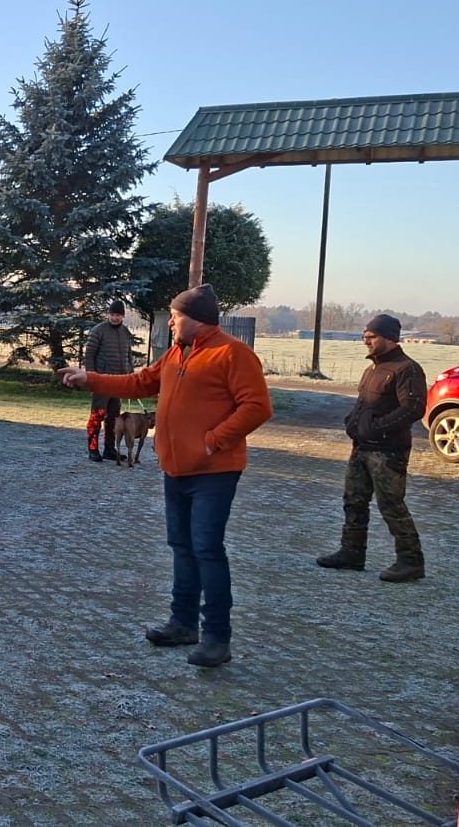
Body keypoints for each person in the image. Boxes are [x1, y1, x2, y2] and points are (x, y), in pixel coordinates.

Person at [58, 284, 271, 668]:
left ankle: (217, 637)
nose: (170, 323)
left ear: (196, 319)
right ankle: (183, 623)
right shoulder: (175, 354)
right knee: (181, 545)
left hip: (215, 471)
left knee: (207, 548)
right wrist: (89, 378)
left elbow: (257, 406)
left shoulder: (233, 353)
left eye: (175, 316)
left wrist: (213, 441)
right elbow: (138, 382)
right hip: (176, 469)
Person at [316, 314, 429, 582]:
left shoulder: (407, 369)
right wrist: (352, 423)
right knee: (353, 501)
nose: (366, 341)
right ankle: (352, 553)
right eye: (365, 336)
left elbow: (413, 409)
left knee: (391, 505)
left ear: (389, 338)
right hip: (361, 448)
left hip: (389, 452)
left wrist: (376, 428)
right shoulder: (372, 370)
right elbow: (364, 404)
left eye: (371, 336)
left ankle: (411, 561)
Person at [83, 300, 134, 462]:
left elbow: (128, 355)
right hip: (101, 381)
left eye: (118, 315)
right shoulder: (98, 331)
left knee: (114, 417)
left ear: (123, 316)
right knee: (97, 415)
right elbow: (89, 355)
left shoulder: (125, 332)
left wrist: (130, 374)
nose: (115, 318)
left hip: (118, 382)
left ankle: (109, 449)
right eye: (112, 314)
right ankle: (93, 449)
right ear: (108, 314)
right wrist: (91, 377)